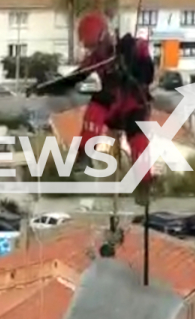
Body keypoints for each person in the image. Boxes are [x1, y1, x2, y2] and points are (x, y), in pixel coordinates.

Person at [30, 11, 155, 205]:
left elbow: (147, 73)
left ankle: (144, 184)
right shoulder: (97, 58)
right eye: (90, 48)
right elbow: (72, 78)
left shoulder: (131, 47)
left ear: (104, 36)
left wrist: (134, 61)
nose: (93, 51)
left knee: (138, 140)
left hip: (133, 105)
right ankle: (85, 154)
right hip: (112, 107)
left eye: (94, 46)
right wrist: (42, 88)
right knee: (97, 103)